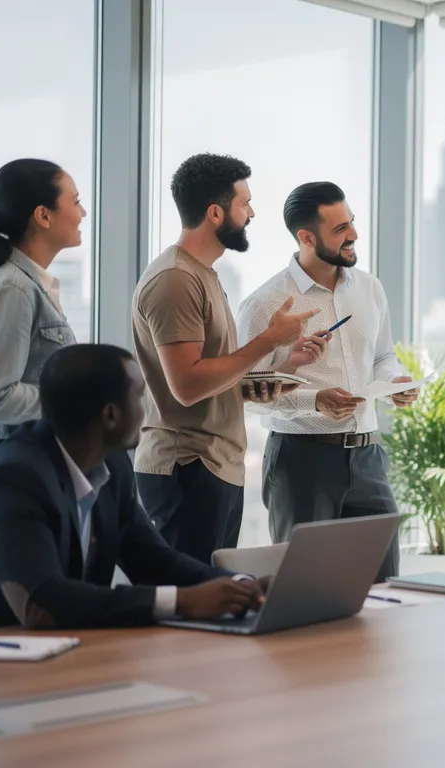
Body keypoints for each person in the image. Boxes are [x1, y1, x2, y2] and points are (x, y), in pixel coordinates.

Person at [0, 344, 268, 636]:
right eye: (139, 396)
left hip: (45, 655)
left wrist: (241, 586)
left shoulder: (112, 466)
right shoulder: (10, 479)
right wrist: (181, 602)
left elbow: (153, 560)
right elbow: (43, 602)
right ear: (111, 415)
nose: (146, 408)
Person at [132, 154, 323, 563]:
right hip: (187, 466)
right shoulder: (176, 279)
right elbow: (187, 386)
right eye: (244, 204)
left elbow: (212, 377)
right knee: (191, 595)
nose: (252, 213)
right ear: (215, 213)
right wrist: (268, 339)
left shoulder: (202, 274)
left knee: (212, 590)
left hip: (214, 467)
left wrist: (281, 369)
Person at [236, 181, 416, 584]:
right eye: (340, 229)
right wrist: (314, 400)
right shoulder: (265, 303)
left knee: (385, 586)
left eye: (351, 222)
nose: (354, 234)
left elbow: (383, 357)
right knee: (306, 586)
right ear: (306, 238)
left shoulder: (369, 288)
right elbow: (249, 393)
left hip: (369, 457)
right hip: (302, 461)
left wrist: (395, 382)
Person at [0, 159, 84, 476]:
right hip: (16, 468)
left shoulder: (26, 286)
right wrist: (75, 403)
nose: (83, 213)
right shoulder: (11, 288)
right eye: (75, 201)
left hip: (28, 459)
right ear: (43, 215)